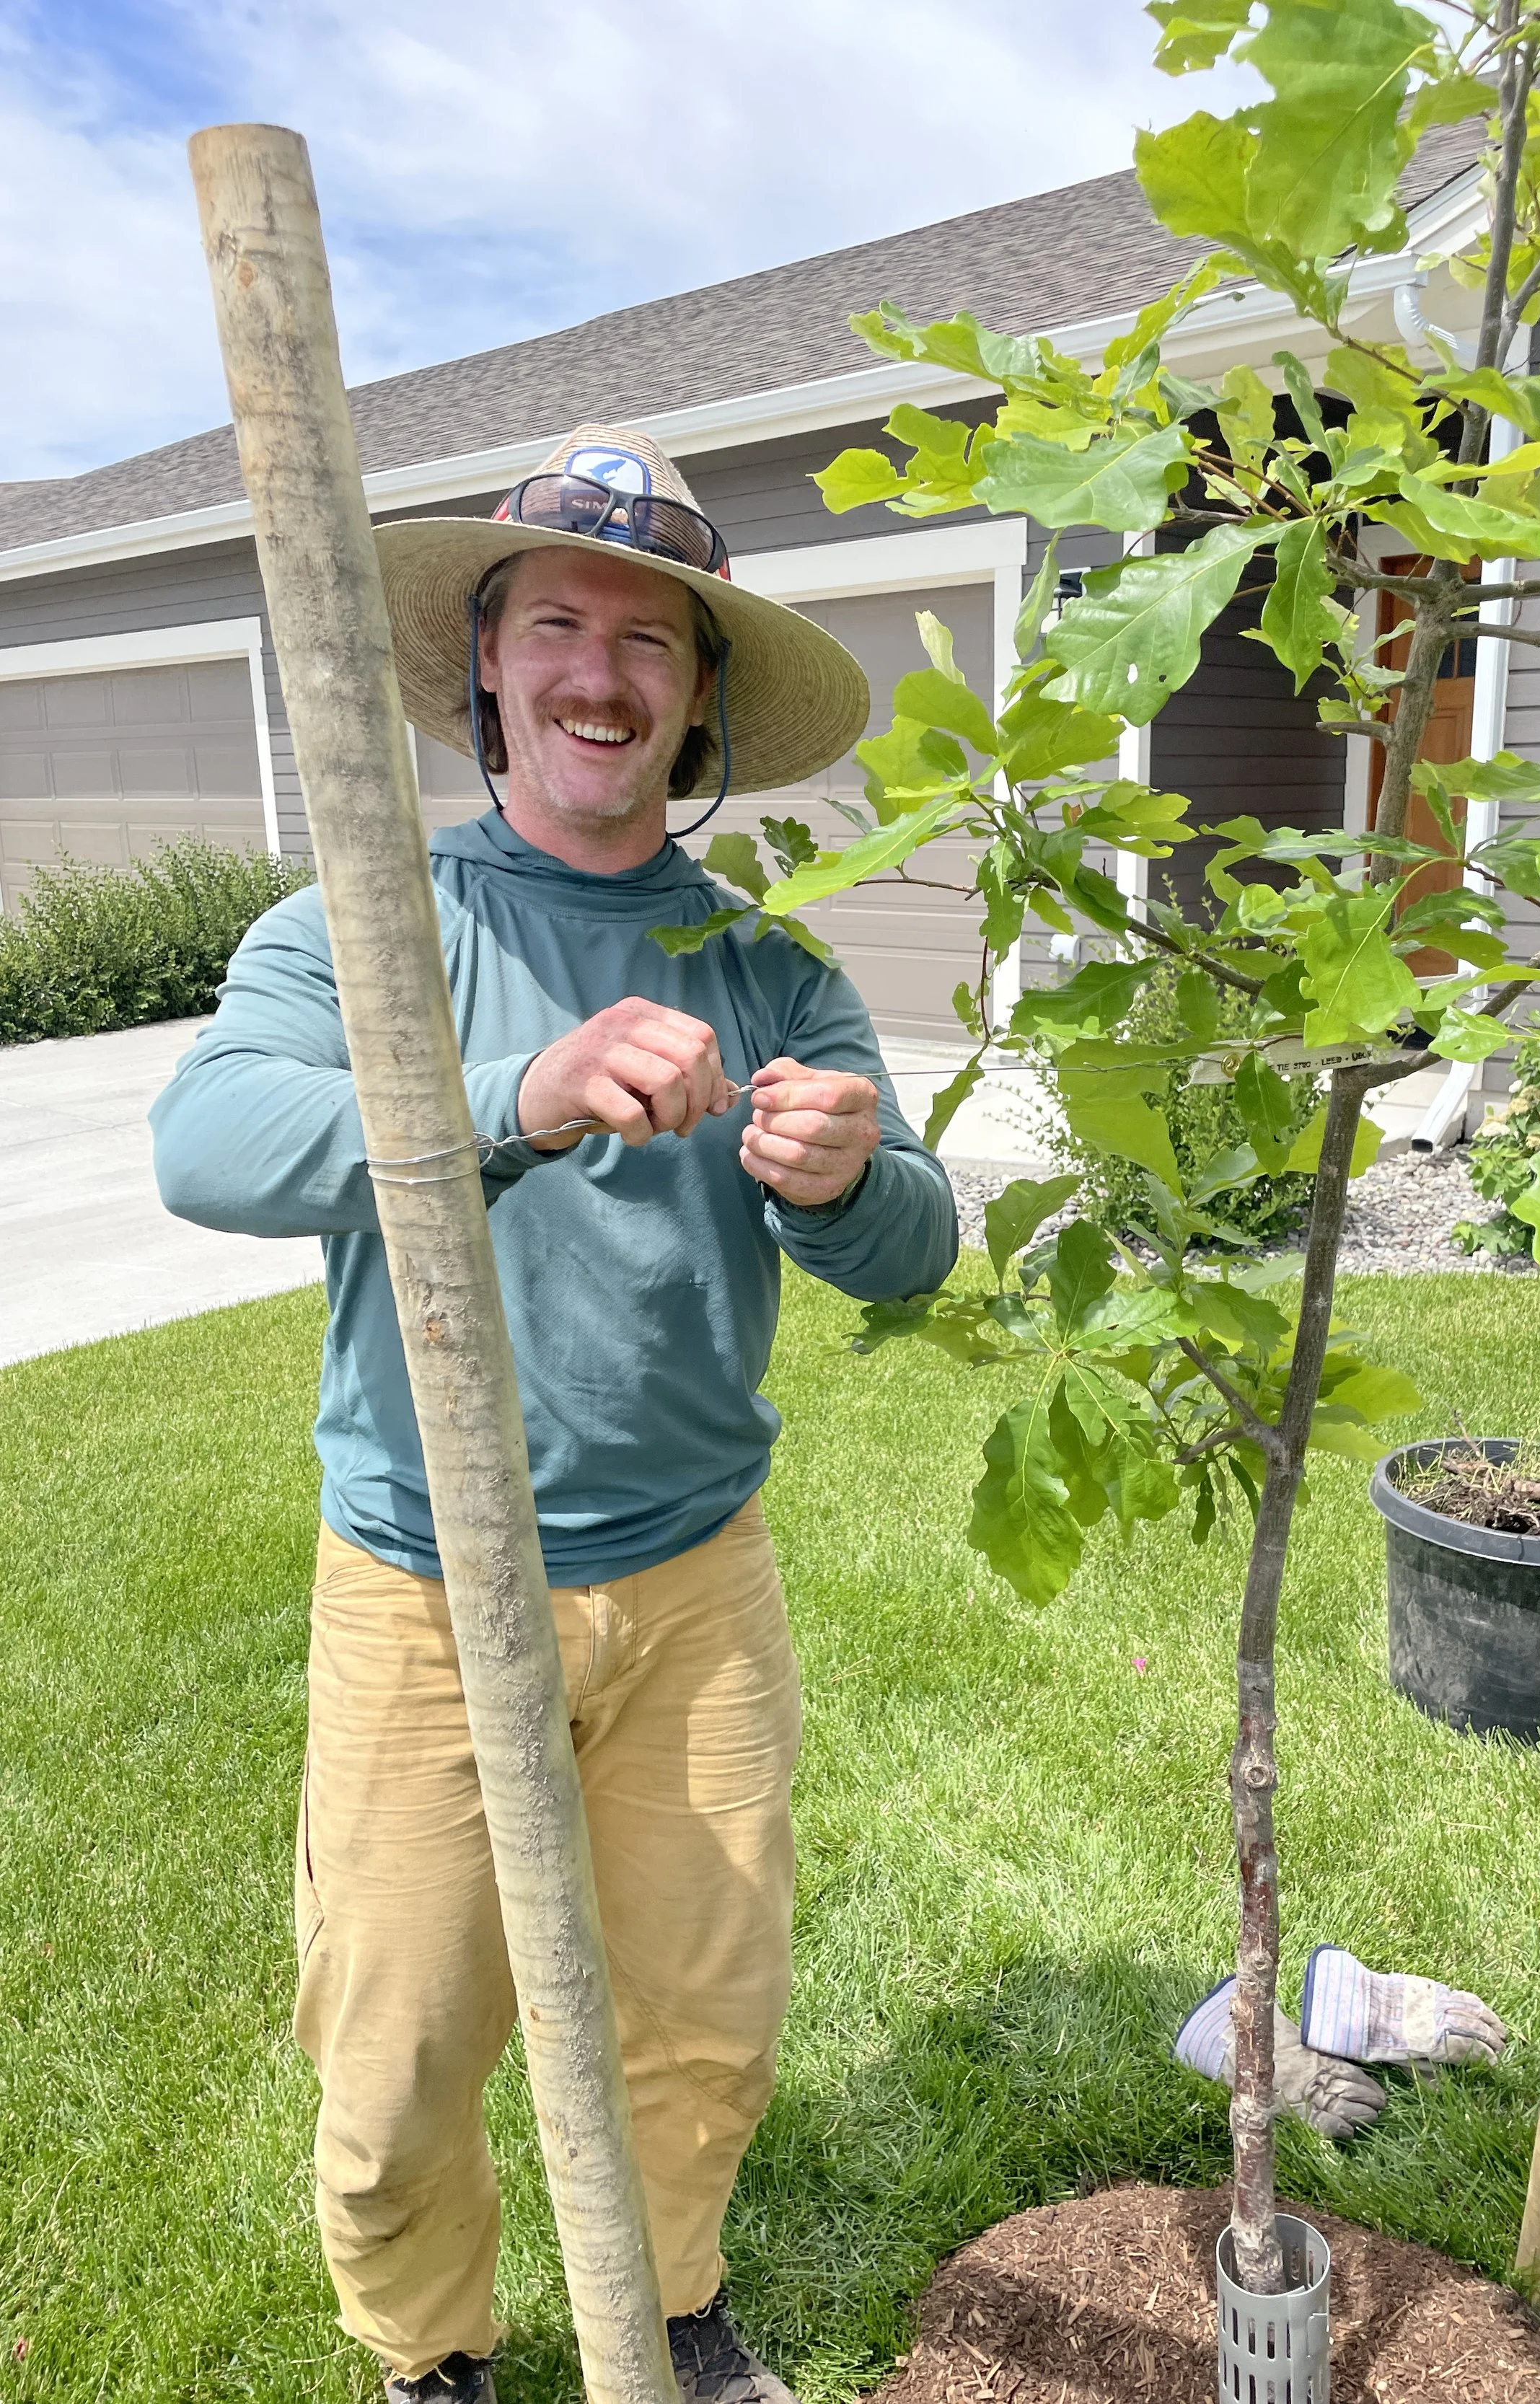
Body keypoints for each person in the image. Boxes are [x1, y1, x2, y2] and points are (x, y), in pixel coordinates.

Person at [151, 425, 959, 2404]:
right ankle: (431, 2351)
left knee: (702, 2004)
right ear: (489, 668)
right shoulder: (367, 915)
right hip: (431, 1578)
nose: (600, 673)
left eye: (648, 642)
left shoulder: (766, 959)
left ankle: (666, 2302)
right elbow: (214, 1141)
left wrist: (847, 1174)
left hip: (696, 1576)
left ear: (694, 701)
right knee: (405, 2035)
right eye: (560, 626)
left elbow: (916, 1252)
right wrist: (514, 1094)